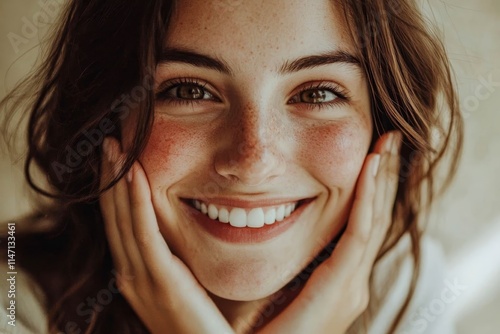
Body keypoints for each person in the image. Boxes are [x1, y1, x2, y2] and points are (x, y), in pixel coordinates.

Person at [0, 0, 463, 333]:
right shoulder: (13, 306)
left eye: (317, 94)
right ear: (104, 120)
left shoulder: (405, 292)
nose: (252, 161)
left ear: (382, 132)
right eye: (189, 91)